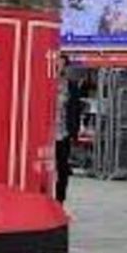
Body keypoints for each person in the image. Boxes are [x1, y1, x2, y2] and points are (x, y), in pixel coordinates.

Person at [55, 61, 82, 204]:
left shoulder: (71, 86)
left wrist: (75, 132)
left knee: (63, 168)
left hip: (63, 132)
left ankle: (60, 200)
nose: (59, 67)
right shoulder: (45, 83)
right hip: (46, 134)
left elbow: (75, 110)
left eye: (62, 64)